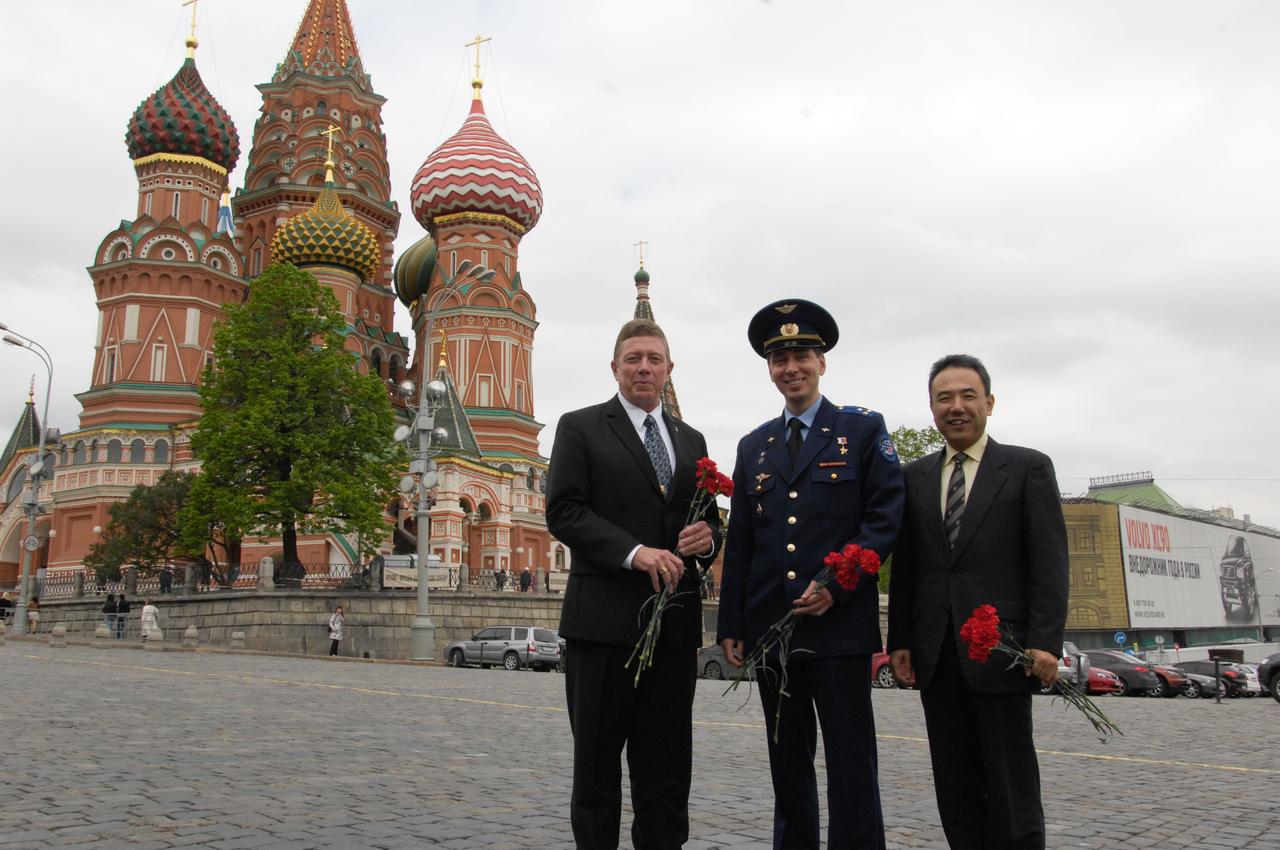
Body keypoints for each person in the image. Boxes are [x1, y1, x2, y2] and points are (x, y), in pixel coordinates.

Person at [717, 298, 904, 850]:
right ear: (769, 369)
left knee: (851, 761)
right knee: (787, 762)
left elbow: (883, 519)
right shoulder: (754, 446)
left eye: (801, 355)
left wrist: (837, 584)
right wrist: (731, 623)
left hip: (839, 631)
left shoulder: (862, 431)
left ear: (822, 362)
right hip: (776, 631)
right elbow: (743, 543)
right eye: (779, 359)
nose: (791, 368)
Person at [547, 318, 721, 850]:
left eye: (654, 359)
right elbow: (564, 512)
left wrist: (707, 540)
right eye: (633, 359)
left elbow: (710, 518)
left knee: (667, 774)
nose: (644, 368)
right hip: (601, 631)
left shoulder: (691, 440)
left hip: (672, 632)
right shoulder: (579, 427)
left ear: (669, 370)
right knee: (596, 773)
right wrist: (634, 552)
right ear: (615, 367)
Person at [887, 354, 1069, 850]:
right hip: (937, 652)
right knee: (954, 781)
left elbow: (1049, 561)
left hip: (1004, 653)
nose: (957, 406)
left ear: (989, 402)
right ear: (931, 408)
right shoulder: (913, 477)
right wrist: (899, 637)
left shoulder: (1028, 467)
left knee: (1011, 782)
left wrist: (1045, 642)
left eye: (968, 395)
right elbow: (907, 567)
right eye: (944, 398)